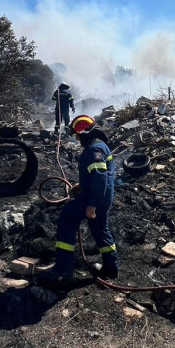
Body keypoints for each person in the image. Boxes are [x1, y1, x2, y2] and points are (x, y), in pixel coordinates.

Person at [39, 114, 119, 291]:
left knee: (67, 219)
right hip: (103, 198)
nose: (77, 139)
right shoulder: (101, 146)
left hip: (95, 199)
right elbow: (99, 177)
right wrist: (81, 185)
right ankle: (111, 268)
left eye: (77, 135)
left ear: (85, 133)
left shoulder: (93, 150)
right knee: (100, 229)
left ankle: (63, 270)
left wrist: (92, 203)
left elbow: (99, 178)